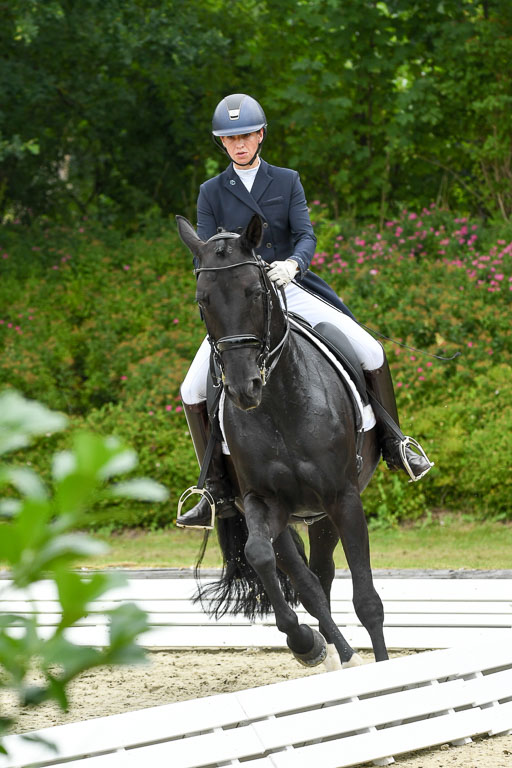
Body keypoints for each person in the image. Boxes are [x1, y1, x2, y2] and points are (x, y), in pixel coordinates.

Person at [177, 93, 433, 528]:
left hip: (288, 285)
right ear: (222, 143)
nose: (239, 144)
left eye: (245, 135)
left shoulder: (286, 180)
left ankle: (395, 443)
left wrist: (293, 264)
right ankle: (213, 487)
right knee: (190, 389)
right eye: (230, 138)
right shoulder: (211, 192)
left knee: (371, 350)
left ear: (260, 135)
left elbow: (305, 235)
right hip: (242, 304)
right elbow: (204, 253)